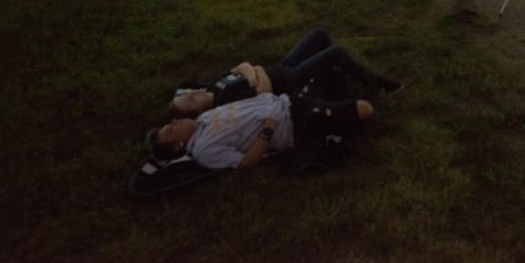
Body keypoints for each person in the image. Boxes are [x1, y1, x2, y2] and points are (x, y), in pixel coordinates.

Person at [169, 27, 401, 117]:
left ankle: (338, 77)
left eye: (185, 95)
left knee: (319, 35)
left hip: (280, 67)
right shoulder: (224, 102)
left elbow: (243, 66)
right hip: (288, 81)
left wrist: (252, 74)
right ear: (198, 111)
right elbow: (264, 92)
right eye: (188, 101)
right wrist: (254, 73)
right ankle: (375, 82)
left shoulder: (213, 85)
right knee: (335, 52)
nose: (190, 94)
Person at [151, 92, 374, 170]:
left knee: (332, 72)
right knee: (365, 109)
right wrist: (269, 128)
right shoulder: (203, 149)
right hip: (293, 124)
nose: (174, 122)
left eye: (170, 123)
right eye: (170, 129)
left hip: (287, 101)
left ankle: (336, 127)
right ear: (179, 146)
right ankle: (332, 133)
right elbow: (247, 163)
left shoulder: (202, 118)